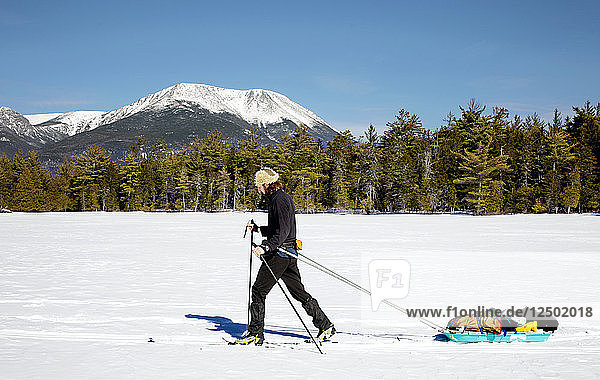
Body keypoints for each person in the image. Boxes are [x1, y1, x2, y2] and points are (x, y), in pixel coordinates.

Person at [235, 167, 335, 345]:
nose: (258, 189)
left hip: (280, 254)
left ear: (266, 184)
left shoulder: (279, 200)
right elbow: (278, 229)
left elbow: (283, 231)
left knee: (258, 290)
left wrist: (266, 247)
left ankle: (255, 333)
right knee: (298, 292)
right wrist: (259, 229)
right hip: (288, 253)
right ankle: (325, 325)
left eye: (259, 186)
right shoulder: (280, 197)